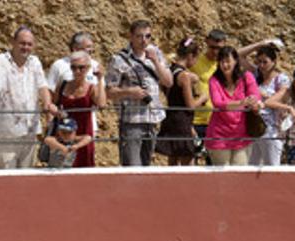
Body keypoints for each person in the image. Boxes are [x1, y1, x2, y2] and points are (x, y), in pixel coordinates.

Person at [0, 27, 56, 169]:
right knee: (6, 178)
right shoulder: (0, 61)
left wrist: (48, 103)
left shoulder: (35, 62)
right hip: (7, 133)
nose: (26, 47)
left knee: (26, 177)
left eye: (29, 44)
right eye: (22, 43)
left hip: (29, 131)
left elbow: (42, 86)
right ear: (13, 42)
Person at [105, 20, 173, 167]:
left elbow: (168, 82)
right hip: (131, 121)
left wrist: (155, 61)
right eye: (139, 36)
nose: (144, 41)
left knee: (146, 166)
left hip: (152, 119)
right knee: (132, 167)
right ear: (130, 37)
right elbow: (108, 92)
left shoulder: (157, 54)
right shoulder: (119, 59)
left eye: (148, 36)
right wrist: (129, 92)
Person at [204, 46, 262, 166]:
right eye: (222, 61)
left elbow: (255, 94)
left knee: (240, 176)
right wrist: (241, 103)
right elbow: (218, 103)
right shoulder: (214, 80)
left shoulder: (247, 77)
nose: (225, 65)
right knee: (223, 177)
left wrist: (254, 101)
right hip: (219, 136)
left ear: (235, 61)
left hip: (242, 134)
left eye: (228, 61)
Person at [51, 51, 104, 168]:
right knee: (62, 168)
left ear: (88, 68)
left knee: (84, 168)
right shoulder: (63, 85)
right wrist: (55, 110)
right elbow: (54, 103)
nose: (77, 71)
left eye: (81, 68)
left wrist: (100, 79)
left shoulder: (91, 88)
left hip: (84, 134)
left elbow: (101, 104)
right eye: (73, 67)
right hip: (64, 132)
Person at [156, 38, 204, 166]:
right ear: (190, 56)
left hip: (171, 117)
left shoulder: (170, 71)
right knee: (188, 162)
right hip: (182, 121)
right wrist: (203, 98)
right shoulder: (184, 76)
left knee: (172, 160)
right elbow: (190, 106)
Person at [249, 44, 290, 166]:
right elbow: (239, 55)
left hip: (272, 131)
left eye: (265, 62)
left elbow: (273, 100)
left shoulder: (282, 79)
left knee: (272, 169)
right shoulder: (256, 76)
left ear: (274, 62)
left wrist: (262, 95)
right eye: (259, 62)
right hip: (254, 129)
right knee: (251, 169)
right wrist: (260, 43)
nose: (261, 65)